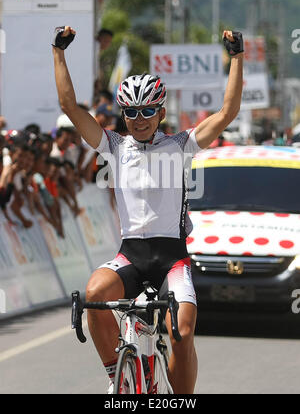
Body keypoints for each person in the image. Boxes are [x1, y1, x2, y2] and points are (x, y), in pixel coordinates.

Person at [52, 25, 243, 394]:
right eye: (132, 112)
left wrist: (236, 58)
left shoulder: (181, 144)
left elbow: (227, 111)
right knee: (94, 295)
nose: (140, 119)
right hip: (130, 257)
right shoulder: (114, 145)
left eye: (148, 111)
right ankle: (122, 380)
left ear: (160, 111)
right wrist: (58, 52)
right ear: (123, 114)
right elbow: (70, 107)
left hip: (172, 260)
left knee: (182, 333)